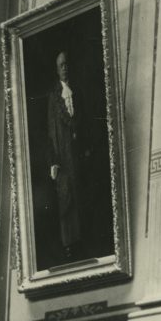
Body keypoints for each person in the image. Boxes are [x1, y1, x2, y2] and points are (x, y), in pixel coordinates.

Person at [46, 50, 90, 262]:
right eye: (61, 65)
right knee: (66, 199)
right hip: (62, 154)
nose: (65, 68)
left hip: (77, 154)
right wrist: (54, 160)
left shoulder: (77, 91)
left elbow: (82, 123)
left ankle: (81, 240)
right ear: (56, 69)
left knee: (80, 194)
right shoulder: (54, 97)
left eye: (67, 64)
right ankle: (68, 244)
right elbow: (50, 130)